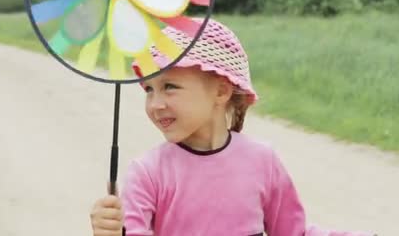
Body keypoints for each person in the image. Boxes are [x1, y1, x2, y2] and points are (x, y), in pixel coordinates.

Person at [89, 18, 375, 236]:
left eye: (170, 87)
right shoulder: (149, 173)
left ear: (221, 91)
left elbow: (292, 233)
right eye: (149, 89)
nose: (155, 103)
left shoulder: (262, 161)